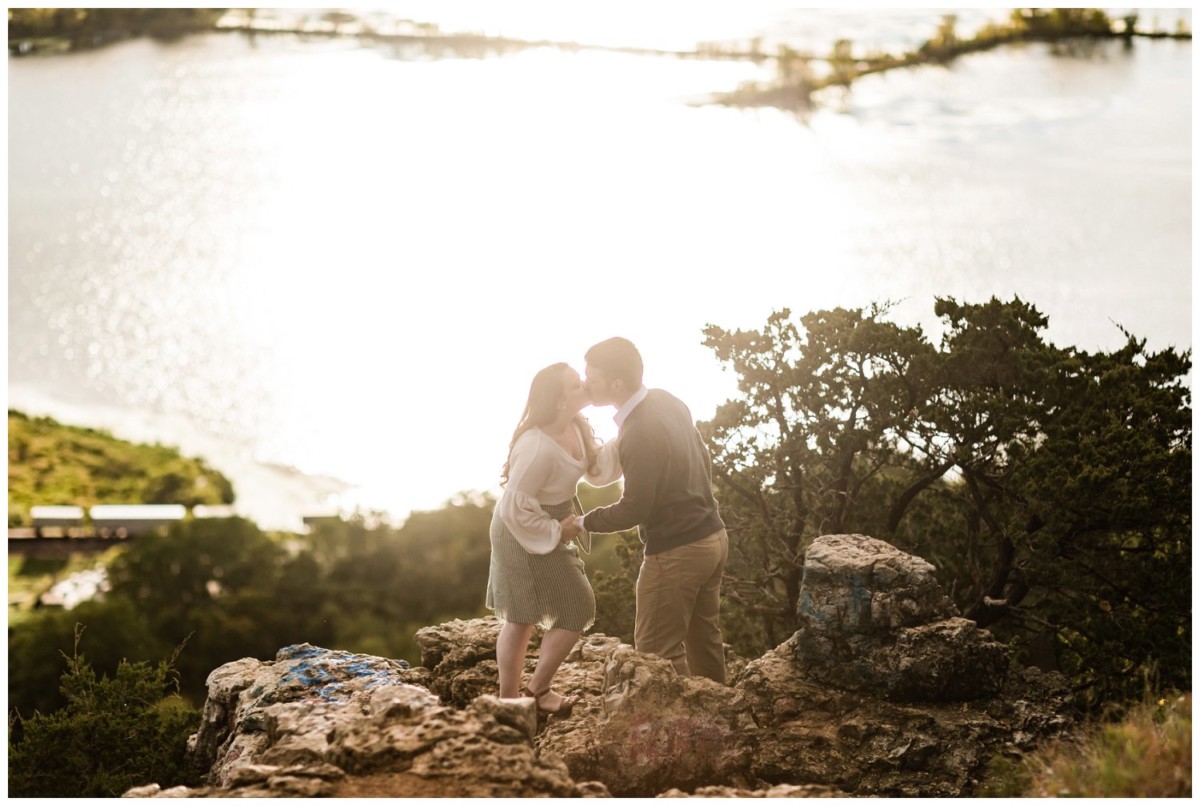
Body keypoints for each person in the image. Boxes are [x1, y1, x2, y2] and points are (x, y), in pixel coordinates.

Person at [561, 337, 729, 684]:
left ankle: (682, 729)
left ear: (617, 384)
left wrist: (582, 521)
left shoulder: (638, 431)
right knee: (704, 641)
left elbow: (634, 508)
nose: (586, 382)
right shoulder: (666, 400)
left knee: (656, 654)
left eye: (592, 377)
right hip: (713, 537)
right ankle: (721, 720)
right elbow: (703, 456)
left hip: (677, 552)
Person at [487, 362, 622, 716]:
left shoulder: (575, 425)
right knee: (521, 616)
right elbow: (516, 508)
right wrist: (556, 530)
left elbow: (594, 469)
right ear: (560, 400)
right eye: (576, 384)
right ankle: (509, 702)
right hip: (519, 530)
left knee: (575, 606)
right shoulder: (534, 447)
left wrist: (631, 435)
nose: (585, 385)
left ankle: (534, 692)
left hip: (553, 519)